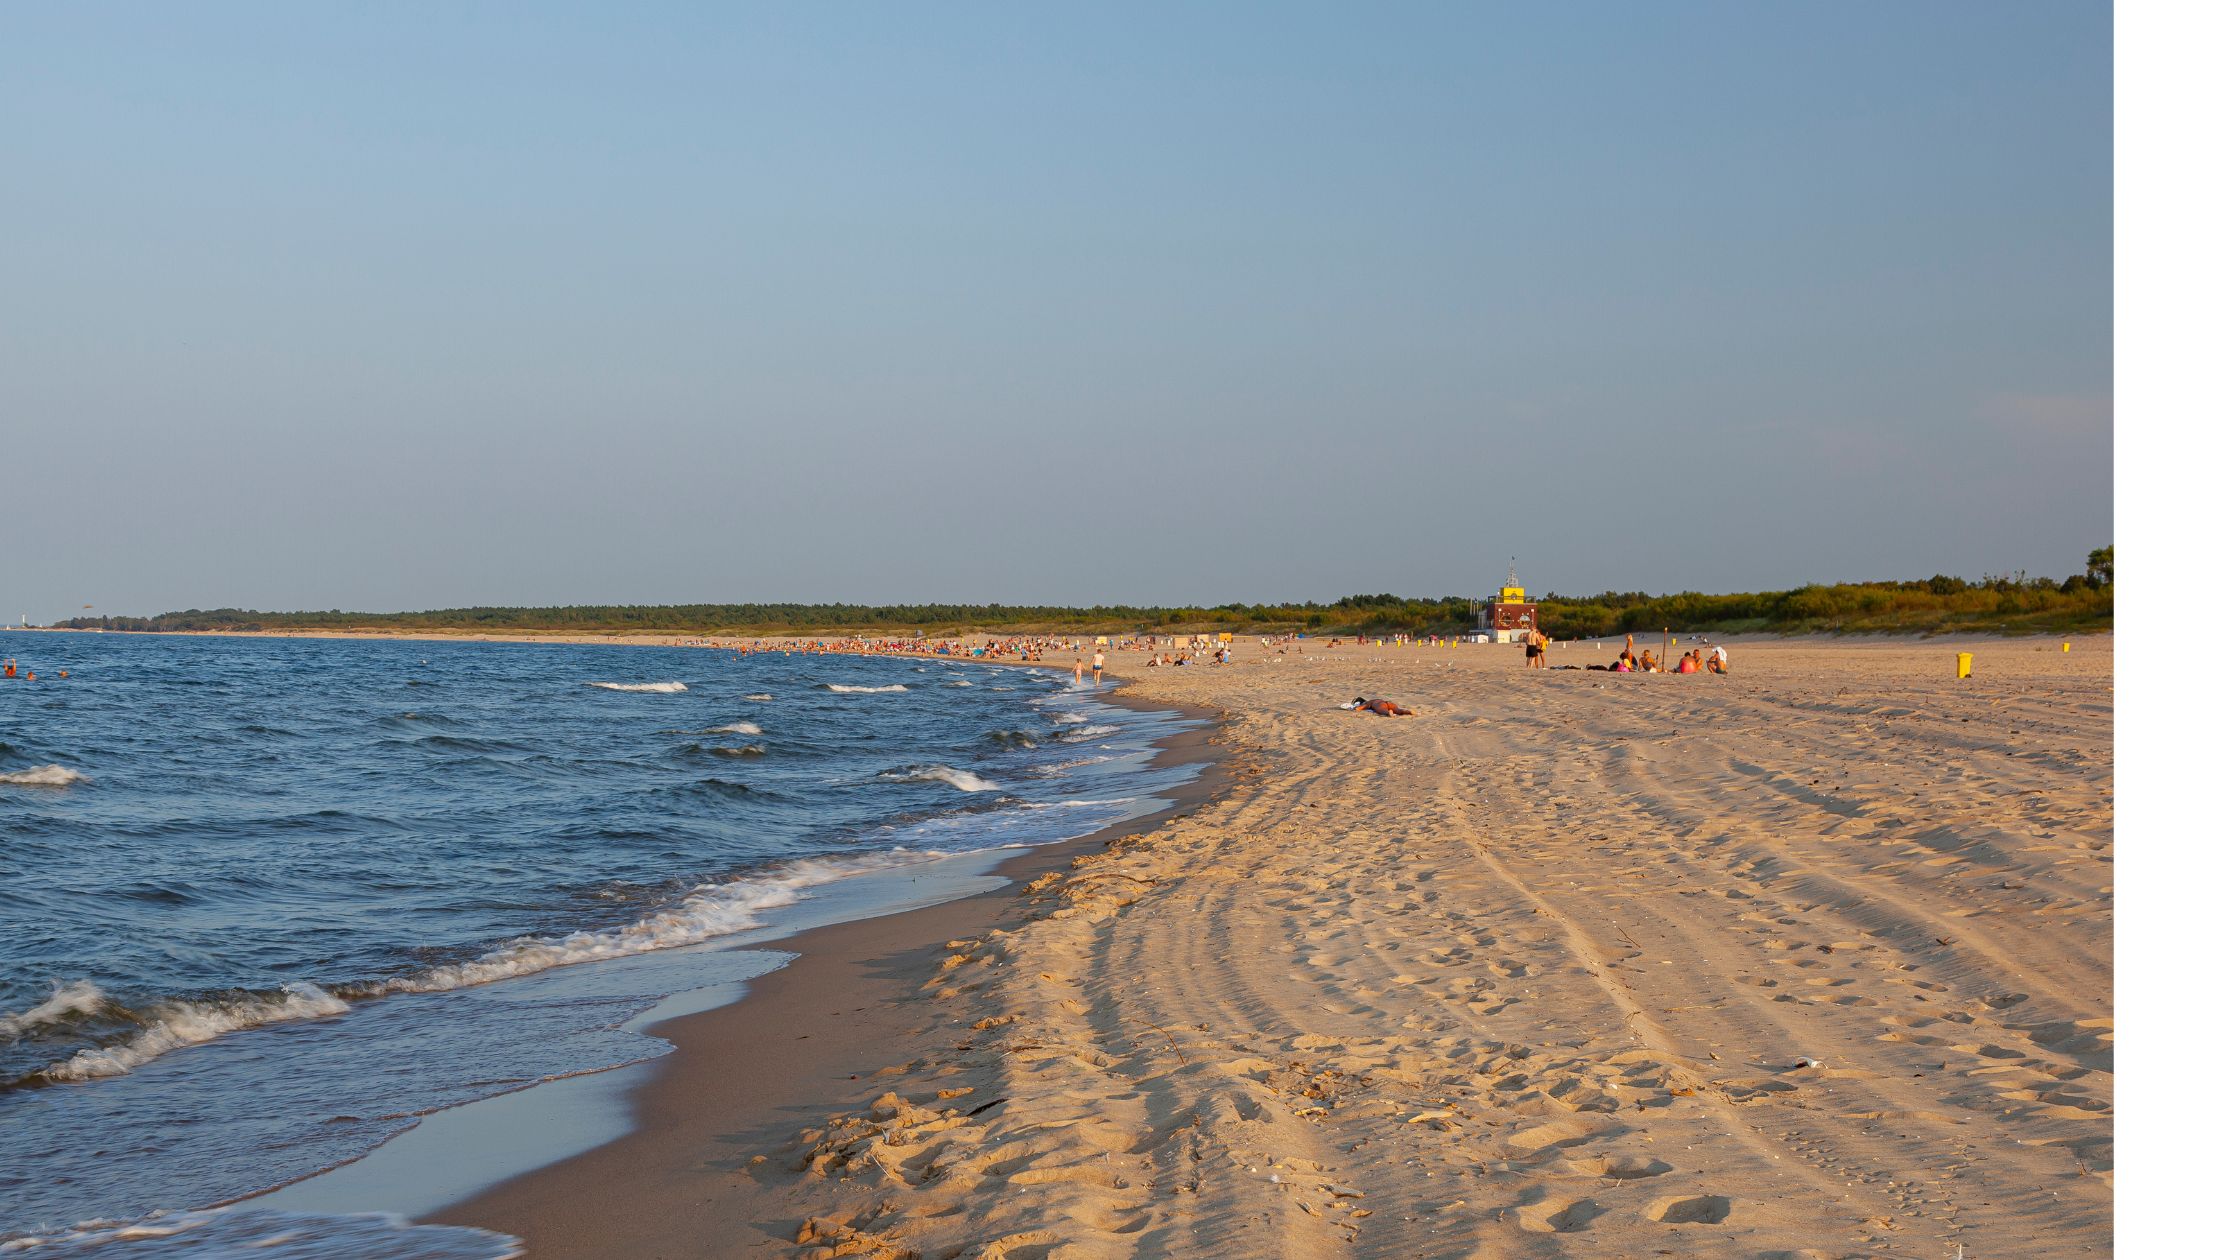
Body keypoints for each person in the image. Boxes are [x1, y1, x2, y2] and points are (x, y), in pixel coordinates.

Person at [1348, 697, 1413, 716]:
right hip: (1387, 702)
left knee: (1383, 711)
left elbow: (1358, 708)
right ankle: (1409, 712)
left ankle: (1388, 713)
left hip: (1379, 705)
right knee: (1398, 710)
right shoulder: (1374, 700)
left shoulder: (1368, 703)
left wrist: (1353, 708)